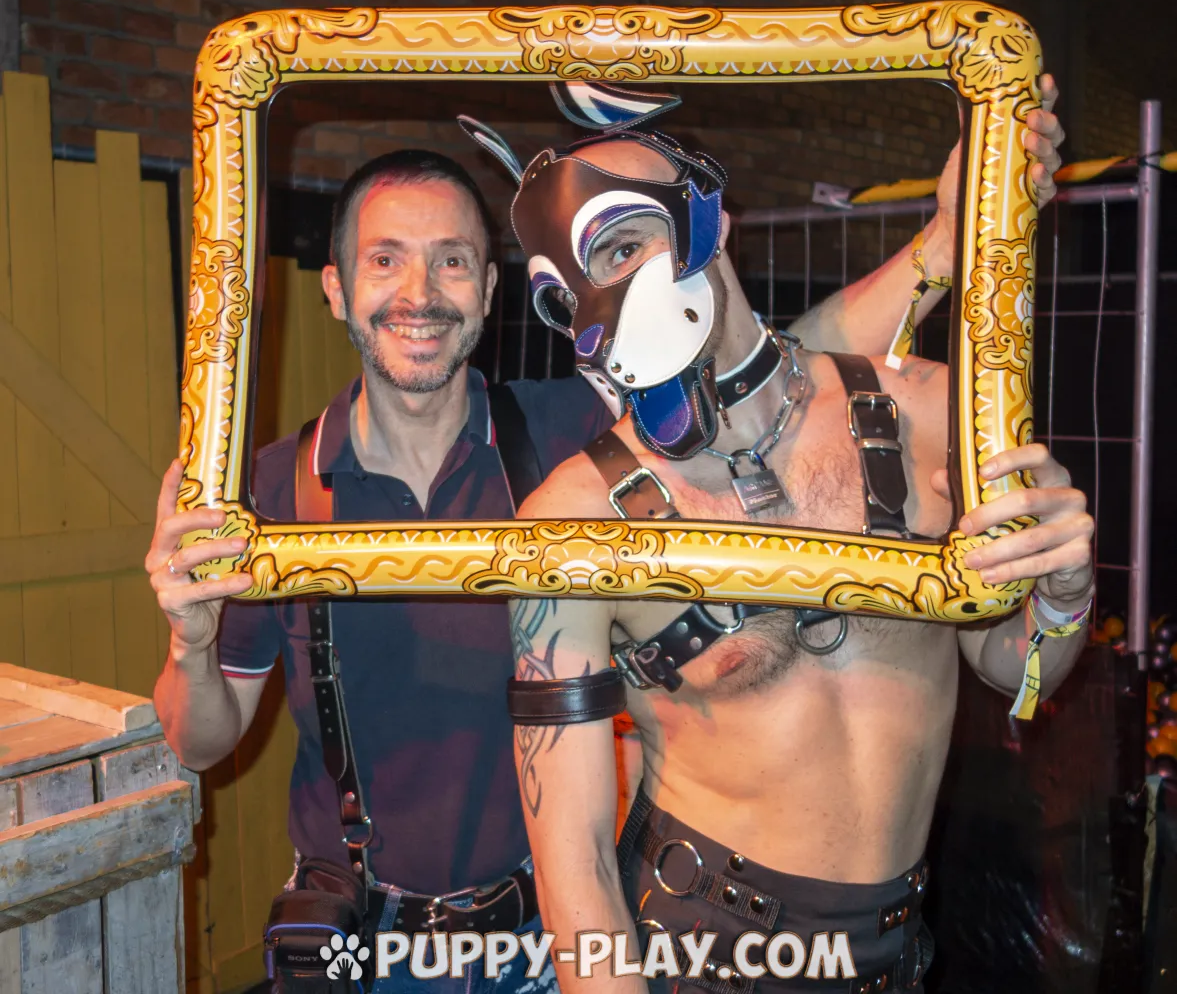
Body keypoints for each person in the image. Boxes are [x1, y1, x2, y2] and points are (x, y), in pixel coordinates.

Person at [146, 84, 1064, 992]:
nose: (418, 293)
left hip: (555, 939)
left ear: (487, 290)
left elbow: (769, 368)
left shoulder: (559, 430)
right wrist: (190, 641)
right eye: (384, 260)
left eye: (452, 260)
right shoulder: (275, 496)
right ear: (336, 287)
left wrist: (948, 238)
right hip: (384, 943)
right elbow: (199, 742)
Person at [486, 104, 1089, 994]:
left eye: (622, 246)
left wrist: (1061, 598)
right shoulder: (577, 521)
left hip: (894, 956)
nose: (601, 302)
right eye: (566, 291)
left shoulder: (926, 414)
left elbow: (1013, 669)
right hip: (701, 952)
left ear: (710, 220)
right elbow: (572, 866)